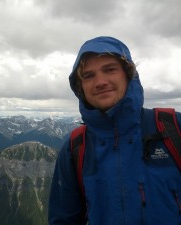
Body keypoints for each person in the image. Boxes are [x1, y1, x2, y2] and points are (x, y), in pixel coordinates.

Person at [48, 36, 181, 225]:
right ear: (81, 87)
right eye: (88, 75)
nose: (100, 81)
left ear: (128, 75)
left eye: (109, 69)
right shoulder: (75, 147)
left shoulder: (173, 128)